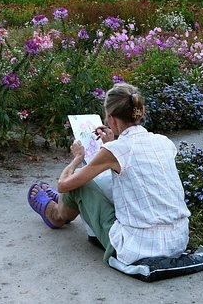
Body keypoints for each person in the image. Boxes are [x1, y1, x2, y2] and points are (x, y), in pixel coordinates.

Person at [27, 83, 191, 265]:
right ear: (141, 113)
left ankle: (56, 215)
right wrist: (111, 144)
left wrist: (77, 158)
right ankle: (62, 203)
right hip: (178, 240)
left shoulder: (115, 149)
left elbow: (63, 184)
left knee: (79, 185)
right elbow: (137, 166)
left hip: (139, 247)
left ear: (111, 120)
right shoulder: (165, 142)